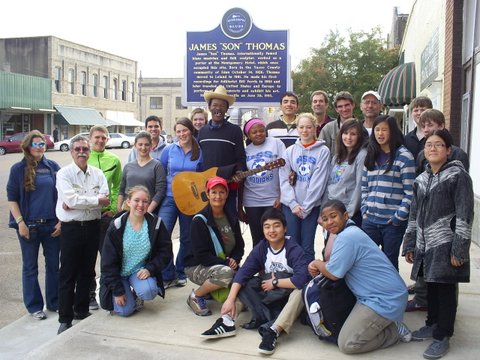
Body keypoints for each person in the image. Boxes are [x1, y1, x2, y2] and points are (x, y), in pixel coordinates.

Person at [403, 129, 474, 360]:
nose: (432, 148)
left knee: (444, 289)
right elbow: (414, 214)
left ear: (449, 150)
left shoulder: (458, 176)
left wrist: (459, 249)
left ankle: (443, 335)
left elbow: (465, 214)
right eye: (429, 145)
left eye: (438, 145)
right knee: (430, 285)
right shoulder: (421, 179)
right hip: (425, 245)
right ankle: (432, 323)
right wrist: (410, 243)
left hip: (446, 243)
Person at [200, 207, 309, 356]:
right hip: (269, 293)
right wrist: (230, 299)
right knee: (246, 282)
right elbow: (243, 273)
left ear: (285, 228)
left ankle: (273, 330)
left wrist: (276, 282)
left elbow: (301, 279)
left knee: (301, 292)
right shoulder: (263, 247)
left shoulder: (293, 249)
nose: (272, 230)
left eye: (276, 225)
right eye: (267, 226)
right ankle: (227, 321)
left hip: (286, 297)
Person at [309, 199, 411, 355]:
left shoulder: (347, 237)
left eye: (333, 216)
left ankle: (394, 332)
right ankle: (385, 324)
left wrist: (316, 263)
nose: (329, 222)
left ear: (345, 215)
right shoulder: (350, 231)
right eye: (325, 219)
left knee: (348, 344)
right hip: (378, 295)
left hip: (384, 299)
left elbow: (334, 273)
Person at [407, 109, 470, 313]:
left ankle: (444, 326)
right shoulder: (421, 164)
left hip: (446, 233)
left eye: (431, 125)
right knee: (429, 277)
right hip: (425, 233)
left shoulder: (457, 165)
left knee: (446, 281)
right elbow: (417, 201)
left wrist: (459, 247)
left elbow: (463, 207)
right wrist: (411, 240)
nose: (426, 129)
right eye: (423, 126)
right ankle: (429, 312)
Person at [55, 135, 110, 334]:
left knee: (87, 272)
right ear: (71, 152)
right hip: (71, 228)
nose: (81, 152)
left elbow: (107, 198)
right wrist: (95, 200)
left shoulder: (97, 174)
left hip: (93, 226)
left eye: (84, 149)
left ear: (89, 151)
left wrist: (79, 201)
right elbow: (72, 199)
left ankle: (81, 310)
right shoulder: (64, 174)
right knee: (68, 274)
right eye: (77, 149)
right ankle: (65, 318)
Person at [7, 130, 61, 320]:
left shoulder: (53, 166)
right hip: (29, 227)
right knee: (30, 267)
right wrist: (21, 223)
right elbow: (12, 199)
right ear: (28, 146)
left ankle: (54, 302)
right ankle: (35, 307)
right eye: (36, 144)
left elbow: (62, 197)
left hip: (51, 227)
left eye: (42, 144)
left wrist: (61, 221)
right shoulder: (17, 169)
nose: (40, 147)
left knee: (54, 266)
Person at [101, 185, 173, 317]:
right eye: (136, 200)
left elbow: (166, 251)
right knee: (125, 311)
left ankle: (137, 294)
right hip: (118, 274)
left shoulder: (155, 223)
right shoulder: (117, 226)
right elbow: (107, 263)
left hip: (138, 272)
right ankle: (125, 293)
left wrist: (150, 269)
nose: (141, 205)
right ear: (128, 202)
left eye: (145, 201)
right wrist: (117, 291)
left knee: (149, 291)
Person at [184, 176, 245, 316]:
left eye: (222, 192)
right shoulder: (200, 220)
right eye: (214, 192)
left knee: (243, 283)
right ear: (208, 194)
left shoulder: (231, 217)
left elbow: (240, 246)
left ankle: (210, 291)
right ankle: (196, 296)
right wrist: (226, 263)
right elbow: (201, 255)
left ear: (227, 194)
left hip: (224, 263)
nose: (218, 196)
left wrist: (235, 259)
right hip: (196, 265)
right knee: (226, 273)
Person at [361, 115, 415, 270]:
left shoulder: (404, 157)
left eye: (384, 129)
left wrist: (399, 216)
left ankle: (391, 294)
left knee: (389, 263)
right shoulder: (371, 154)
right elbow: (364, 186)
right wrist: (365, 210)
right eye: (377, 130)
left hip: (392, 223)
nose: (380, 133)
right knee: (367, 261)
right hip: (370, 219)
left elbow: (410, 192)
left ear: (393, 132)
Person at [279, 113, 330, 262]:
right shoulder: (289, 152)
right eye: (301, 127)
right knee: (292, 243)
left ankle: (308, 277)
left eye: (309, 127)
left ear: (315, 128)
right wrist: (293, 204)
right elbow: (284, 179)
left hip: (312, 207)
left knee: (307, 245)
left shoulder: (323, 151)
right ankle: (295, 274)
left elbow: (319, 182)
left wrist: (307, 207)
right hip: (291, 206)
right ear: (297, 128)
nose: (305, 130)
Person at [158, 118, 203, 288]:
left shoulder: (200, 151)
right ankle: (167, 273)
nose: (182, 134)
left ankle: (180, 271)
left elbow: (203, 176)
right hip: (169, 198)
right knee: (162, 233)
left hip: (191, 201)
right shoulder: (168, 150)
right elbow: (161, 174)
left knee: (186, 237)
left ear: (191, 131)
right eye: (178, 131)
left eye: (184, 130)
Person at [87, 125, 123, 311]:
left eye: (104, 138)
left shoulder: (114, 160)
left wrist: (115, 209)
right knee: (88, 258)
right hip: (86, 217)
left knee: (108, 257)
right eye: (97, 137)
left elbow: (118, 186)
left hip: (106, 217)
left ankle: (108, 293)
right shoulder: (85, 157)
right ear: (90, 138)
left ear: (107, 140)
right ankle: (90, 294)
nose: (100, 141)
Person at [197, 85, 246, 215]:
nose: (218, 108)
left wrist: (239, 172)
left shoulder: (235, 131)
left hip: (228, 189)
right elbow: (198, 160)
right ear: (209, 107)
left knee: (229, 226)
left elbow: (241, 158)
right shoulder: (202, 132)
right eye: (215, 105)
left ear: (227, 109)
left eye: (222, 106)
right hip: (206, 190)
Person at [238, 117, 286, 247]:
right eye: (254, 132)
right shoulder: (246, 151)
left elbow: (285, 170)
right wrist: (240, 206)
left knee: (275, 236)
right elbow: (242, 181)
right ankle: (259, 267)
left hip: (272, 199)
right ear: (248, 135)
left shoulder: (276, 143)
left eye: (261, 130)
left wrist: (281, 196)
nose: (259, 134)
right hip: (252, 200)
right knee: (257, 239)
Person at [323, 119, 367, 227]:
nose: (348, 137)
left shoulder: (362, 155)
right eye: (345, 133)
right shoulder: (337, 156)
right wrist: (324, 211)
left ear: (359, 137)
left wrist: (349, 214)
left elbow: (359, 186)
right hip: (332, 210)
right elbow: (329, 182)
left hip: (348, 212)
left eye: (353, 134)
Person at [118, 132, 166, 214]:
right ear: (135, 145)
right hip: (128, 208)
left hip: (146, 208)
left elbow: (160, 192)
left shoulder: (157, 166)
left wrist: (148, 211)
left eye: (146, 145)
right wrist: (119, 208)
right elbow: (122, 189)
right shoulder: (128, 166)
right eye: (140, 144)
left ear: (151, 146)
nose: (143, 147)